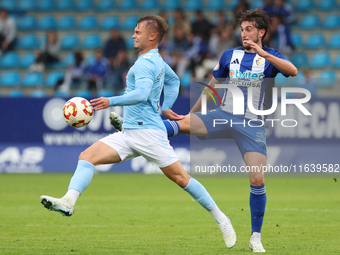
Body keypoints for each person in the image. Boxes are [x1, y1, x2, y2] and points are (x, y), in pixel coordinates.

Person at [40, 14, 237, 250]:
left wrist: (110, 101)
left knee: (181, 179)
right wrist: (166, 107)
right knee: (87, 157)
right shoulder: (155, 59)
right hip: (130, 133)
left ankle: (222, 219)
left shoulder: (145, 63)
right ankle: (69, 201)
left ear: (152, 36)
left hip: (149, 134)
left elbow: (142, 94)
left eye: (137, 32)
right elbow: (173, 81)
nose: (133, 35)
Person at [110, 9, 298, 253]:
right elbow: (213, 85)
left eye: (249, 29)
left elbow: (292, 71)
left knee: (257, 179)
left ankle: (255, 237)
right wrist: (192, 112)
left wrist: (263, 53)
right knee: (182, 124)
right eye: (241, 29)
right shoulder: (230, 55)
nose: (244, 33)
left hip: (251, 124)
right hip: (224, 115)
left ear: (261, 32)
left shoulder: (271, 56)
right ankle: (130, 130)